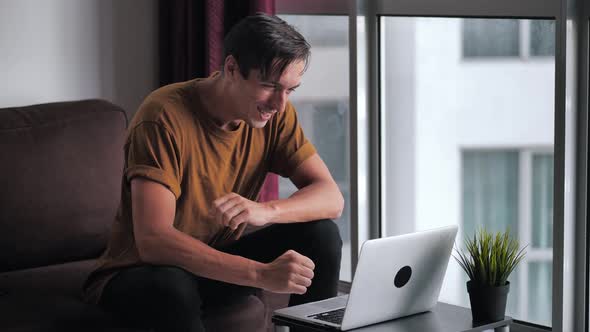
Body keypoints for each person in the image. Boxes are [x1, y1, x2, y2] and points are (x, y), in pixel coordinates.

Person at [82, 13, 344, 332]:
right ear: (231, 68)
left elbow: (331, 197)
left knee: (321, 234)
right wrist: (261, 274)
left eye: (290, 89)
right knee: (171, 286)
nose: (279, 102)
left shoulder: (276, 114)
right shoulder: (163, 116)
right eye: (269, 86)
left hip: (211, 266)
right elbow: (154, 240)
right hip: (139, 274)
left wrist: (266, 211)